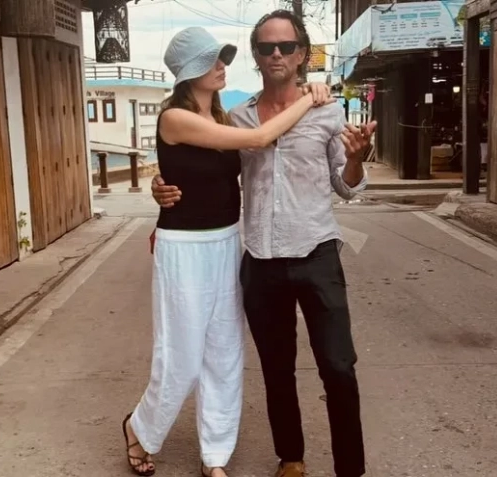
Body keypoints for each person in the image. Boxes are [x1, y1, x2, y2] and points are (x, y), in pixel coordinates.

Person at [151, 10, 376, 477]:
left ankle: (350, 469)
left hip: (316, 253)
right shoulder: (238, 117)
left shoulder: (328, 111)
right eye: (266, 47)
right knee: (276, 368)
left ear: (302, 54)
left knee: (338, 366)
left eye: (286, 46)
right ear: (255, 55)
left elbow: (346, 185)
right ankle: (291, 458)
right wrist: (162, 185)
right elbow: (207, 170)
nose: (277, 54)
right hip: (260, 260)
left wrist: (357, 160)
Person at [121, 26, 335, 477]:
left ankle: (215, 455)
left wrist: (160, 184)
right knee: (181, 354)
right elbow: (259, 140)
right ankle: (140, 428)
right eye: (211, 61)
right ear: (189, 72)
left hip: (226, 240)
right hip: (184, 247)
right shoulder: (174, 117)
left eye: (222, 58)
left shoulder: (222, 117)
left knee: (224, 352)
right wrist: (307, 97)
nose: (222, 66)